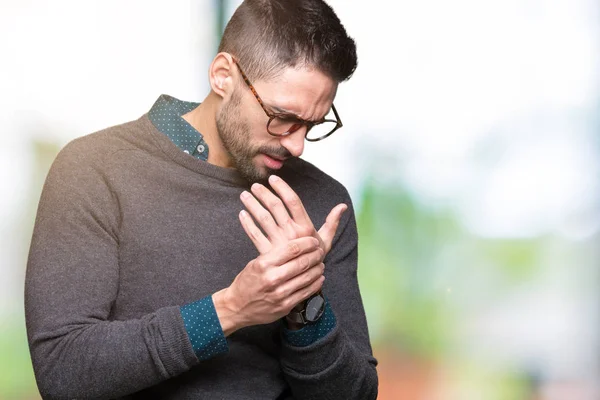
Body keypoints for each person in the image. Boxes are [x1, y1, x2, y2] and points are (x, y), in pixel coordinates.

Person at [25, 0, 378, 398]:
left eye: (313, 125)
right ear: (223, 75)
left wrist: (303, 303)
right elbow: (63, 373)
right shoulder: (94, 170)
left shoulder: (322, 203)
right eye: (282, 117)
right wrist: (230, 309)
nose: (297, 145)